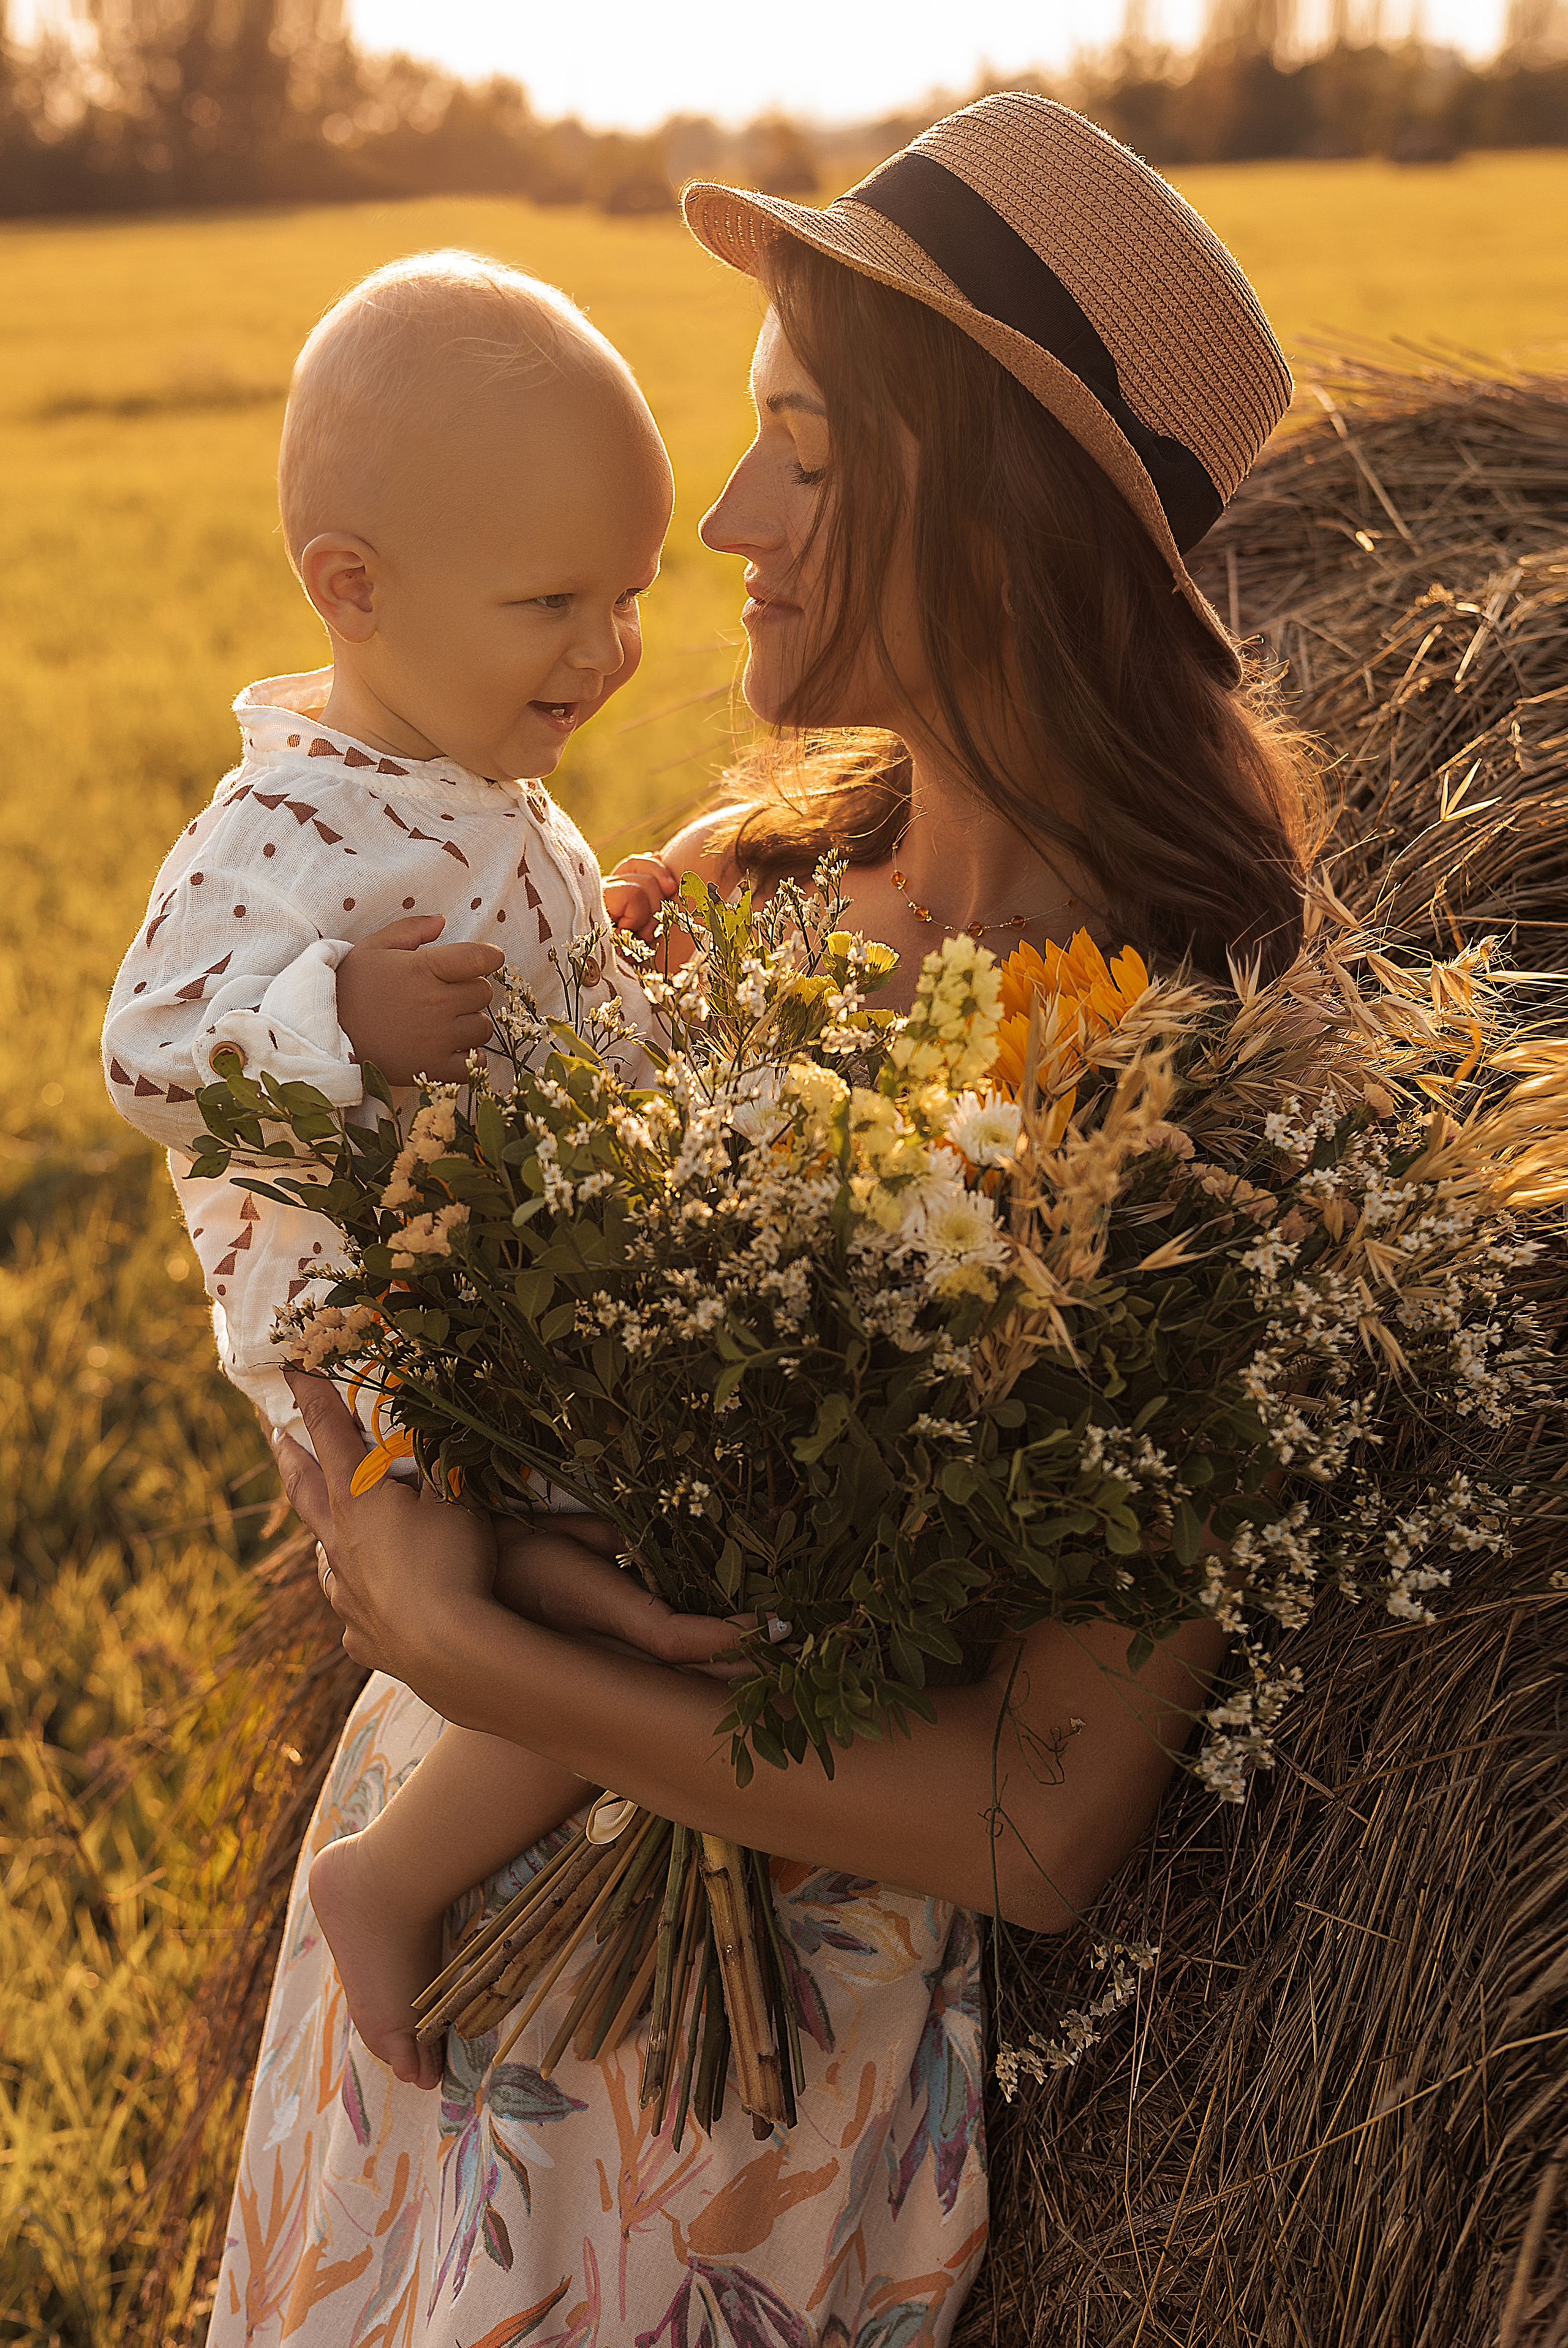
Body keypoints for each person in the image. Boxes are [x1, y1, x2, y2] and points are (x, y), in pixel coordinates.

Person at [205, 94, 1321, 2348]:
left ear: (988, 506)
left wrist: (471, 1646)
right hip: (420, 1994)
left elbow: (1041, 1813)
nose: (722, 523)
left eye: (801, 451)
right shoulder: (726, 908)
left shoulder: (1195, 1092)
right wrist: (437, 1542)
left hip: (731, 2124)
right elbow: (380, 1284)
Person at [99, 249, 696, 2093]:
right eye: (554, 603)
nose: (606, 654)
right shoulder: (276, 827)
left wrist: (668, 1035)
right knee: (460, 1576)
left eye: (630, 599)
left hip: (512, 1295)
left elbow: (585, 1035)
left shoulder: (521, 818)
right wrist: (327, 1012)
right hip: (360, 1322)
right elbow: (144, 1051)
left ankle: (605, 1684)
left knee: (624, 1567)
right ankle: (384, 1878)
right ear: (352, 591)